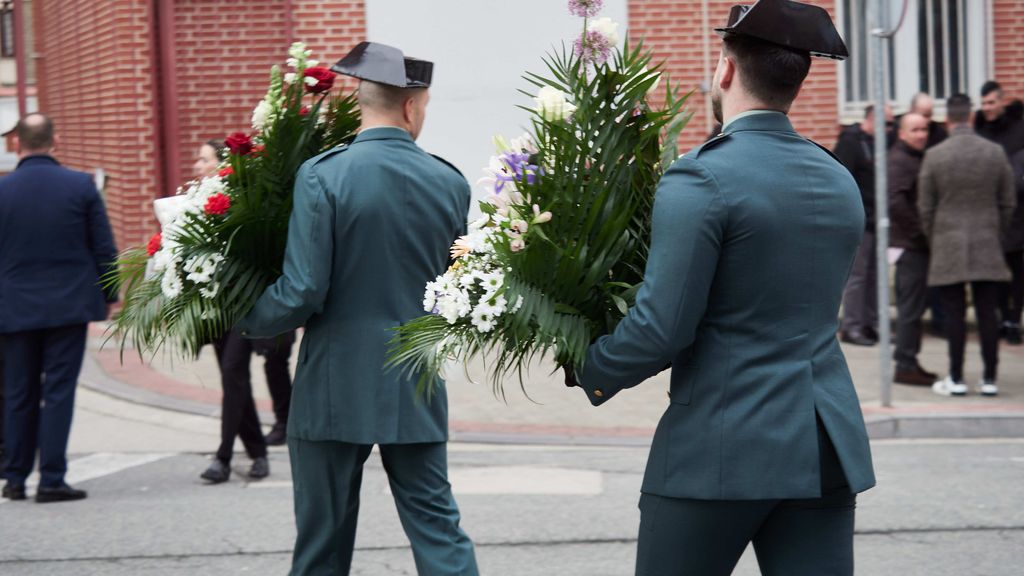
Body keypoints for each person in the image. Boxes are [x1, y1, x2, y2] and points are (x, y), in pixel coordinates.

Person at [564, 2, 875, 574]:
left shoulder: (701, 175)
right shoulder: (838, 178)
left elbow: (663, 326)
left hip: (722, 444)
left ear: (725, 70)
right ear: (796, 82)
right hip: (822, 442)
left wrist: (591, 363)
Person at [237, 42, 478, 575]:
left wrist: (243, 315)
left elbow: (303, 290)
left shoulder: (323, 174)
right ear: (411, 106)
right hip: (414, 379)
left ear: (363, 102)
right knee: (438, 529)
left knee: (322, 543)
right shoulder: (450, 181)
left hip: (334, 381)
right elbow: (457, 291)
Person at [0, 113, 118, 502]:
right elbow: (103, 246)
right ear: (56, 141)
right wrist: (110, 294)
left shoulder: (3, 190)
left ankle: (15, 478)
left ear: (17, 144)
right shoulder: (80, 186)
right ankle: (51, 478)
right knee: (59, 392)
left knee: (18, 392)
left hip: (14, 307)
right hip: (69, 305)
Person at [191, 140, 296, 484]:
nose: (197, 165)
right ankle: (257, 452)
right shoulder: (195, 201)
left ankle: (222, 457)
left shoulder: (241, 197)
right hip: (216, 305)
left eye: (203, 159)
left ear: (222, 164)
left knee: (233, 370)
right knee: (233, 379)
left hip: (246, 302)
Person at [920, 93, 1016, 397]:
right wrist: (995, 231)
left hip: (947, 241)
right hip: (987, 240)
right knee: (988, 313)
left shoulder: (935, 156)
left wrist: (935, 236)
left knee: (954, 314)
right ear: (972, 117)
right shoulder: (994, 152)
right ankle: (989, 379)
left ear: (947, 120)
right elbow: (1008, 201)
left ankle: (957, 377)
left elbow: (925, 207)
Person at [835, 102, 893, 346]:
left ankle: (872, 324)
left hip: (876, 220)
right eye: (886, 123)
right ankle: (852, 326)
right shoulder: (851, 142)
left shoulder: (876, 143)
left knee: (875, 276)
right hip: (860, 219)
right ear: (871, 119)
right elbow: (842, 179)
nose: (890, 129)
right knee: (857, 277)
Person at [888, 113, 939, 386]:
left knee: (914, 308)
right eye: (915, 130)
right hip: (911, 247)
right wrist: (922, 232)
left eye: (924, 129)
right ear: (902, 133)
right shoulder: (900, 160)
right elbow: (895, 203)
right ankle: (905, 365)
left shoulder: (914, 157)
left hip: (914, 245)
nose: (921, 134)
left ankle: (908, 360)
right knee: (910, 309)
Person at [975, 82, 1024, 344]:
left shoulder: (1019, 130)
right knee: (997, 275)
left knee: (1017, 274)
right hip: (989, 215)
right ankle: (1004, 317)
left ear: (1002, 102)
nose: (987, 108)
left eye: (991, 102)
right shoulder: (981, 130)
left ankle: (1014, 320)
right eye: (984, 103)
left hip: (1017, 214)